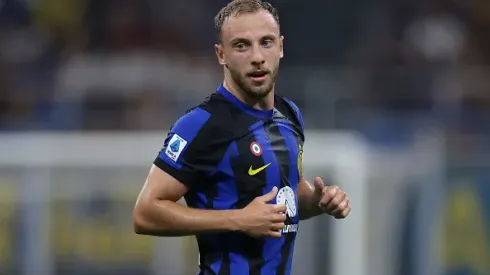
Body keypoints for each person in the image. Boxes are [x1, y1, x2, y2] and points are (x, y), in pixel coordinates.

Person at [132, 0, 351, 274]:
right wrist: (238, 220)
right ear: (221, 54)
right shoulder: (201, 124)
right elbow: (145, 213)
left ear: (281, 47)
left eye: (266, 42)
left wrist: (317, 201)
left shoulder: (289, 114)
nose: (257, 56)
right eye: (241, 45)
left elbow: (283, 197)